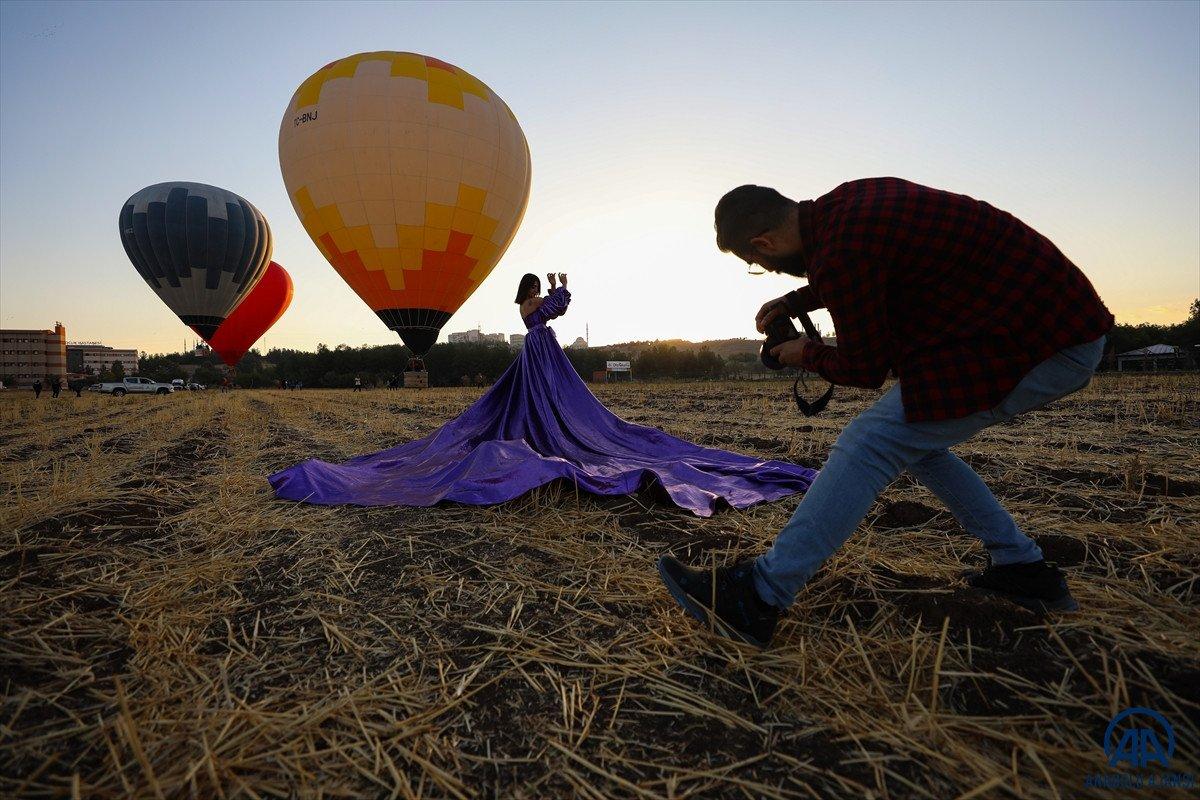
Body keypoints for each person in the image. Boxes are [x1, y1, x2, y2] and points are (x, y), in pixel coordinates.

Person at [656, 178, 1114, 648]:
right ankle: (1023, 569)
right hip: (1033, 323)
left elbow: (863, 367)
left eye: (758, 265)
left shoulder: (841, 253)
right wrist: (796, 301)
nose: (769, 271)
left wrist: (804, 353)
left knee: (871, 441)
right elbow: (866, 270)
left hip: (1043, 343)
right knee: (918, 443)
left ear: (764, 244)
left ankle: (757, 596)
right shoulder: (845, 208)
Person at [270, 272, 817, 516]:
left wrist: (559, 291)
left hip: (540, 352)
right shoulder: (531, 308)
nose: (535, 293)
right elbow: (553, 310)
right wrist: (560, 290)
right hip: (540, 351)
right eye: (533, 288)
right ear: (528, 291)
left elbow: (555, 309)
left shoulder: (529, 309)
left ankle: (549, 425)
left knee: (546, 403)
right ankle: (550, 431)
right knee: (550, 409)